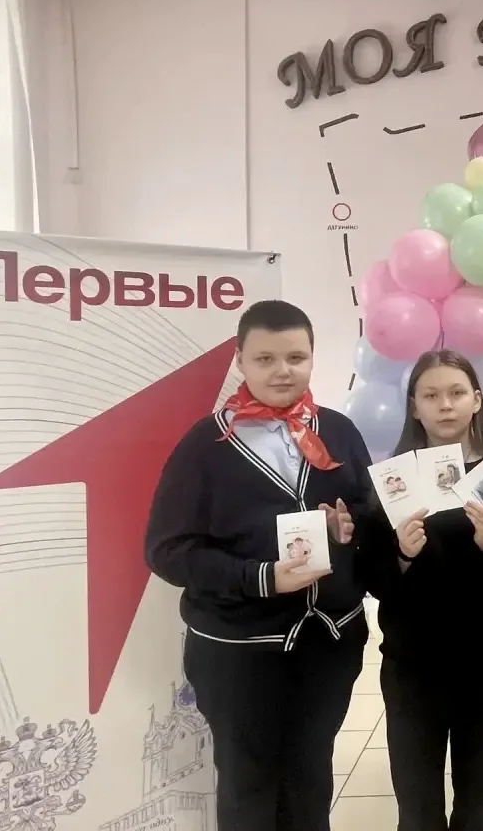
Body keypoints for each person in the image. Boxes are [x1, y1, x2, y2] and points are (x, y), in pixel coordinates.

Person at [144, 300, 372, 831]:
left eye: (296, 357)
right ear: (240, 359)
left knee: (311, 778)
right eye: (265, 358)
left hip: (328, 642)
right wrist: (261, 578)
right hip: (238, 650)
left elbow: (366, 510)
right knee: (248, 787)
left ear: (312, 357)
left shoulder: (339, 431)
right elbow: (167, 550)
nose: (282, 371)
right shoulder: (205, 445)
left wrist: (349, 526)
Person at [359, 349, 483, 831]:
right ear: (414, 407)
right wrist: (402, 554)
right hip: (414, 665)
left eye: (457, 393)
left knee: (480, 802)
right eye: (431, 395)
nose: (446, 405)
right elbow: (373, 578)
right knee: (418, 808)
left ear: (477, 400)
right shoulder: (391, 481)